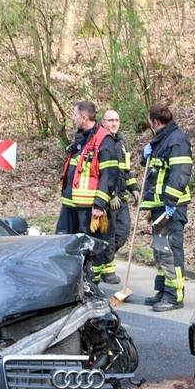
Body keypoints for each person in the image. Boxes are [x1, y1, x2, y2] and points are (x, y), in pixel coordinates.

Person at [58, 100, 120, 284]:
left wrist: (100, 204)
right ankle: (71, 281)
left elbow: (109, 174)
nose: (73, 118)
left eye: (75, 115)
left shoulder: (103, 139)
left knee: (88, 246)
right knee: (66, 242)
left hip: (88, 206)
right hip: (70, 203)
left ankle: (90, 285)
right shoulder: (80, 138)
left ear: (84, 117)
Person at [138, 104, 193, 312]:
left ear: (154, 121)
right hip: (160, 206)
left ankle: (174, 295)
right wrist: (146, 157)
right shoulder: (161, 140)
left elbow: (180, 173)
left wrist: (170, 203)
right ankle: (163, 290)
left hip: (172, 206)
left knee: (171, 250)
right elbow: (154, 171)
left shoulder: (176, 140)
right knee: (160, 250)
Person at [102, 110, 139, 260]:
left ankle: (104, 259)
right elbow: (102, 173)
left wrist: (134, 188)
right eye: (110, 120)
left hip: (121, 197)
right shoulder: (102, 142)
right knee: (108, 235)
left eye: (116, 120)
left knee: (123, 233)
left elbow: (126, 170)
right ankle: (104, 267)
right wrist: (110, 195)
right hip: (107, 198)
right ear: (103, 122)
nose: (114, 123)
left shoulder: (121, 143)